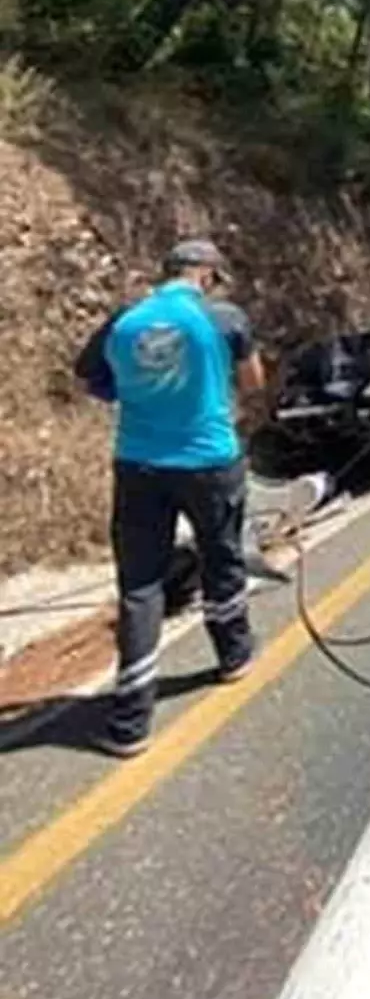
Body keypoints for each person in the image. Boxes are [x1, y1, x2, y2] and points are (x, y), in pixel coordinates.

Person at [74, 238, 266, 756]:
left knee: (140, 587)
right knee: (221, 557)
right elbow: (253, 383)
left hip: (138, 466)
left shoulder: (125, 321)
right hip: (208, 462)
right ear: (206, 275)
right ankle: (234, 656)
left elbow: (90, 376)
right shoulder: (224, 318)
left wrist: (138, 392)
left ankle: (130, 724)